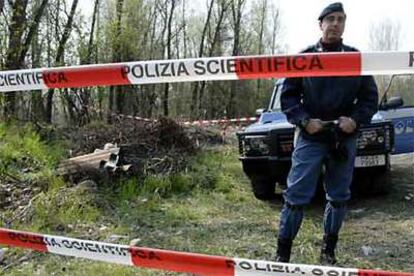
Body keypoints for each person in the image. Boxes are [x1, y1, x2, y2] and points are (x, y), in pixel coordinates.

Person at [275, 2, 378, 265]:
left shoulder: (355, 58)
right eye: (330, 19)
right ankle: (282, 254)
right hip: (311, 137)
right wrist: (304, 121)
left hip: (343, 138)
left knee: (339, 196)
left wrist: (354, 121)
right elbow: (288, 98)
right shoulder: (304, 57)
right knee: (296, 195)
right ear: (320, 24)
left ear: (344, 24)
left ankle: (328, 252)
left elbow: (369, 99)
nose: (335, 24)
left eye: (340, 19)